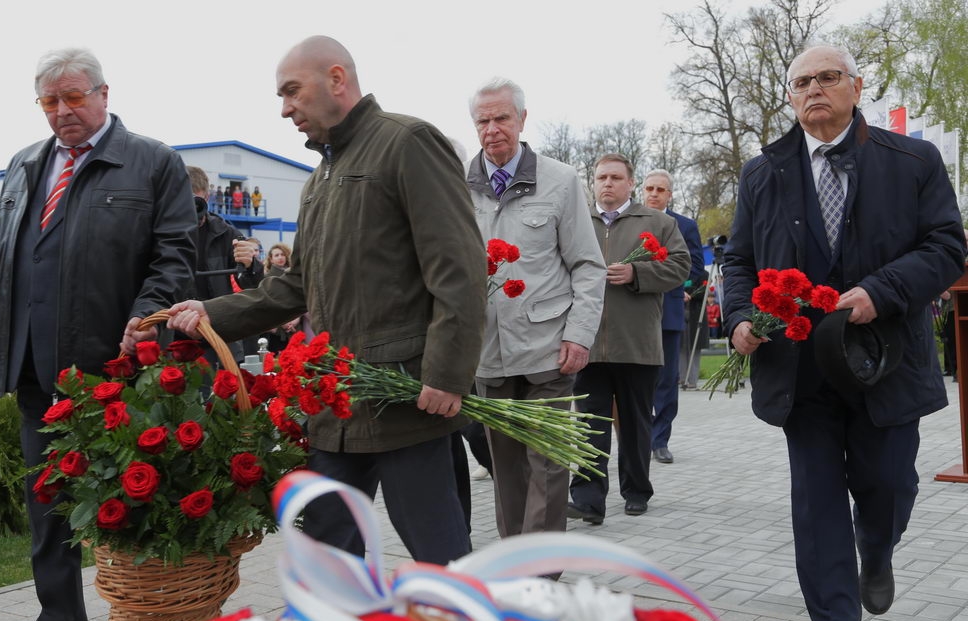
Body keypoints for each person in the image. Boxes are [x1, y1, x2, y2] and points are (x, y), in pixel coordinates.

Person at [167, 36, 486, 566]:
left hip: (407, 399)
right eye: (280, 96)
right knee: (325, 552)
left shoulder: (406, 142)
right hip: (338, 402)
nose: (285, 107)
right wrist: (210, 312)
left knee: (440, 557)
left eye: (292, 91)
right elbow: (293, 287)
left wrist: (448, 375)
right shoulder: (319, 180)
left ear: (337, 79)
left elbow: (459, 269)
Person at [722, 44, 965, 621]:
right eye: (802, 81)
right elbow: (740, 260)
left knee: (887, 483)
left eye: (828, 78)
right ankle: (834, 620)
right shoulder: (762, 172)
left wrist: (880, 292)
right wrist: (743, 315)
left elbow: (946, 247)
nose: (814, 91)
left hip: (884, 357)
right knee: (816, 493)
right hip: (799, 366)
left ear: (856, 86)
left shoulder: (911, 160)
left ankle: (876, 549)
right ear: (790, 96)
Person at [0, 47, 196, 621]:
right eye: (50, 102)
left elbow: (174, 255)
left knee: (139, 497)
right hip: (36, 370)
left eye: (74, 97)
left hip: (117, 367)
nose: (63, 112)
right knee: (48, 503)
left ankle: (158, 620)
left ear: (103, 93)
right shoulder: (22, 166)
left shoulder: (153, 162)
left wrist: (142, 316)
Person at [465, 77, 605, 541]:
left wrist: (579, 335)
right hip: (488, 355)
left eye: (501, 118)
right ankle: (515, 558)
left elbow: (587, 264)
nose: (492, 129)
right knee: (506, 469)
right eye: (482, 120)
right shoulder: (457, 187)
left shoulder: (560, 180)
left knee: (547, 466)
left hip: (549, 351)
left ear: (522, 119)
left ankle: (540, 573)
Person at [566, 154, 689, 524]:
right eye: (601, 176)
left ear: (630, 183)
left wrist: (637, 272)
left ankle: (637, 490)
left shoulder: (658, 222)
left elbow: (681, 266)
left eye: (616, 177)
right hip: (585, 342)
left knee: (636, 423)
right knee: (589, 423)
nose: (607, 183)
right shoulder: (576, 221)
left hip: (636, 342)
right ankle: (587, 499)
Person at [643, 169, 706, 465]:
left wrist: (684, 289)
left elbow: (696, 268)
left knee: (667, 379)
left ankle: (660, 440)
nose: (654, 194)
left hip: (668, 310)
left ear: (669, 195)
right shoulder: (630, 221)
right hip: (635, 313)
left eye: (660, 190)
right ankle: (639, 437)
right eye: (649, 188)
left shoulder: (685, 225)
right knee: (638, 380)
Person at [185, 166, 262, 364]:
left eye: (195, 201)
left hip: (216, 332)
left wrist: (250, 264)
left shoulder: (226, 233)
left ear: (207, 197)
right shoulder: (161, 232)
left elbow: (251, 285)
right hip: (174, 334)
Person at [262, 242, 303, 354]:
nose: (280, 257)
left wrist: (296, 319)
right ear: (271, 259)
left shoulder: (293, 276)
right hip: (276, 326)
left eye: (282, 254)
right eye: (276, 255)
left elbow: (298, 297)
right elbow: (267, 303)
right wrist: (282, 322)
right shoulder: (267, 278)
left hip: (295, 322)